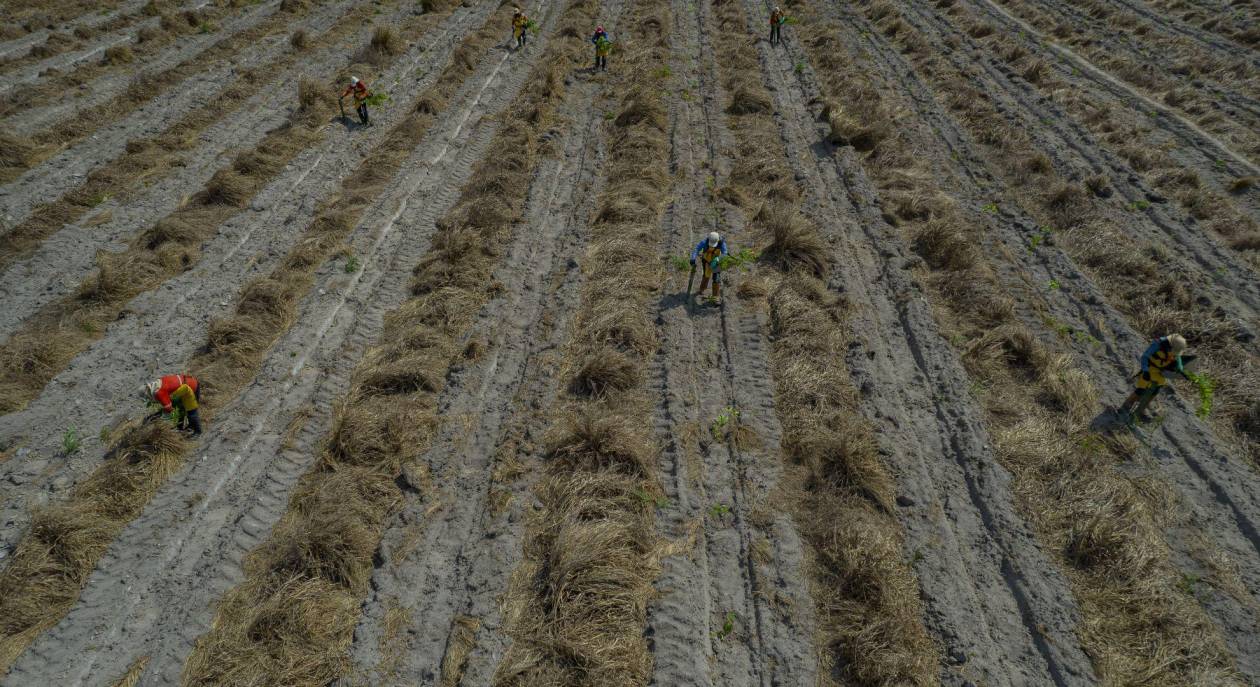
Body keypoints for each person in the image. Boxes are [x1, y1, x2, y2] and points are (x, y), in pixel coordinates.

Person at [1118, 333, 1188, 422]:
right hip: (1150, 369)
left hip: (1161, 373)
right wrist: (1145, 370)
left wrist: (1180, 367)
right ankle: (1127, 405)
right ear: (1170, 345)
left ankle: (1141, 410)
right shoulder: (1157, 344)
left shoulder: (1174, 348)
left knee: (1154, 392)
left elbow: (1178, 357)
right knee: (1142, 389)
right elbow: (1145, 357)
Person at [690, 231, 729, 305]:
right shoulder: (704, 242)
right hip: (706, 261)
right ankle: (702, 289)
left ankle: (715, 297)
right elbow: (696, 249)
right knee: (706, 275)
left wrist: (717, 259)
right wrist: (693, 258)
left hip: (716, 263)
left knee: (716, 278)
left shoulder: (721, 243)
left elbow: (725, 253)